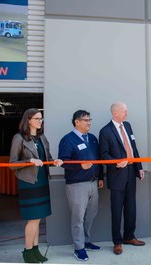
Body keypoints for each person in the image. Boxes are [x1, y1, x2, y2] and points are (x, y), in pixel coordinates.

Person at [9, 108, 63, 263]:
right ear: (28, 120)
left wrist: (55, 162)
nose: (40, 121)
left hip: (42, 180)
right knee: (32, 219)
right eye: (37, 118)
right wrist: (29, 161)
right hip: (29, 183)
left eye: (41, 119)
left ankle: (35, 250)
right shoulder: (18, 138)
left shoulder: (42, 138)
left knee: (38, 218)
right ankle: (27, 252)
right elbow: (12, 164)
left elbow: (48, 158)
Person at [99, 102, 145, 255]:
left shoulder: (128, 126)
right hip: (117, 174)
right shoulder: (105, 131)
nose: (126, 114)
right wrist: (116, 163)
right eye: (124, 111)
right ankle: (117, 242)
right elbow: (104, 155)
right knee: (117, 210)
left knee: (131, 207)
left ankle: (129, 236)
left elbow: (134, 148)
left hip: (131, 172)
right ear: (115, 113)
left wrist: (139, 167)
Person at [58, 110, 104, 261]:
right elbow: (63, 161)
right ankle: (79, 248)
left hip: (93, 183)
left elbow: (98, 159)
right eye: (85, 120)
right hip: (77, 185)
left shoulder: (92, 139)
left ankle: (86, 240)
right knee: (78, 217)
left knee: (91, 213)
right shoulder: (67, 140)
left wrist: (100, 177)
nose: (89, 122)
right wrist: (79, 167)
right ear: (76, 122)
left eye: (90, 119)